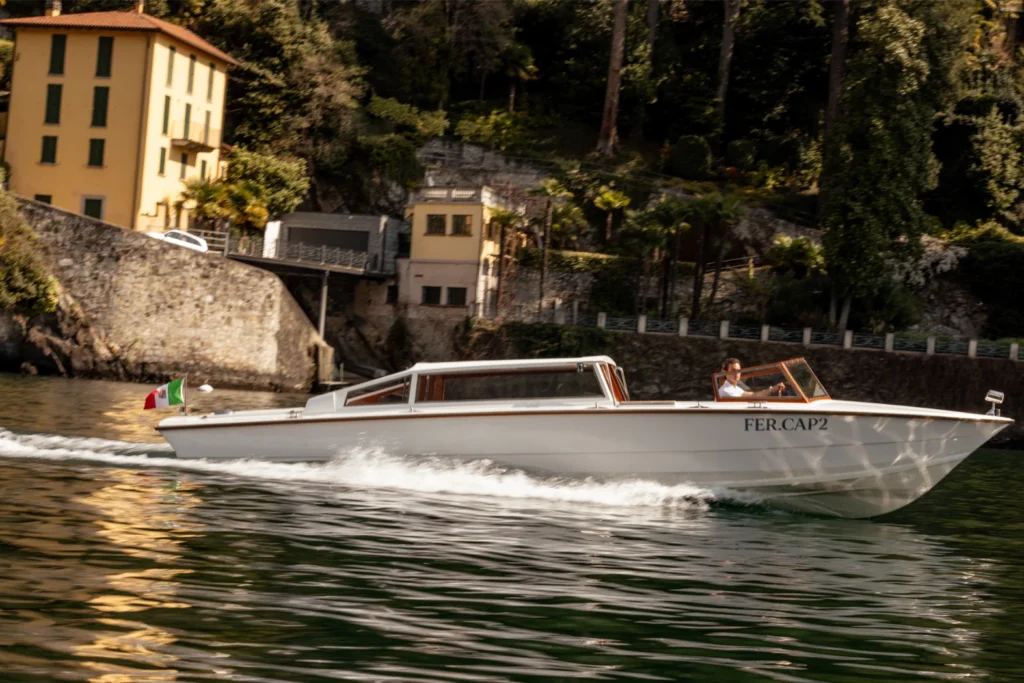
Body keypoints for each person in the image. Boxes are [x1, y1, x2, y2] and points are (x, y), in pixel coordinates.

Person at [719, 358, 785, 398]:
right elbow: (751, 398)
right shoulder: (726, 390)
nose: (737, 373)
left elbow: (755, 395)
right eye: (733, 371)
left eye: (738, 370)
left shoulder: (735, 389)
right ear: (725, 373)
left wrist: (773, 389)